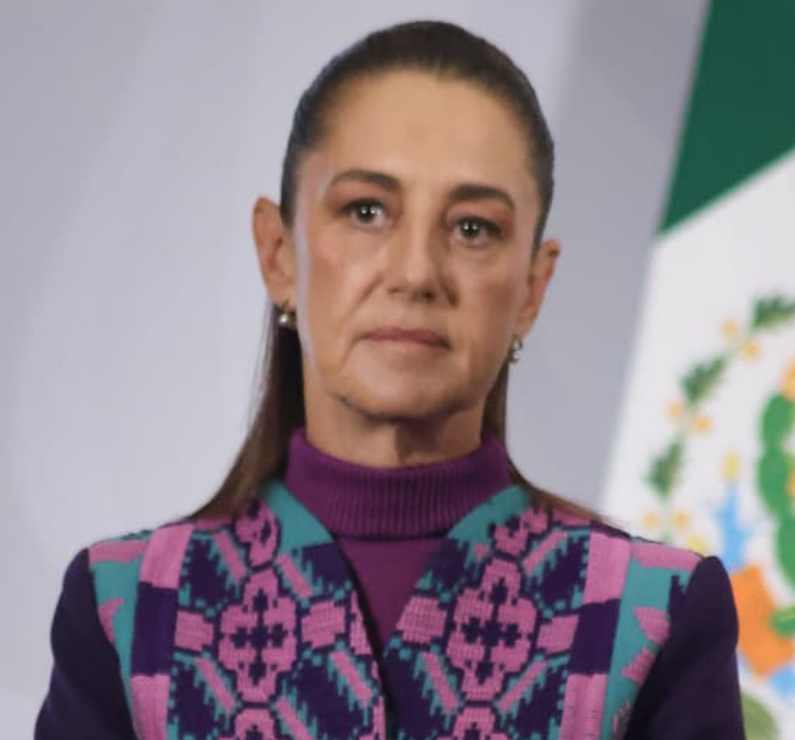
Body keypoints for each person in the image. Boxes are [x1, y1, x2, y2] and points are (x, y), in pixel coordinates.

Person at [34, 19, 744, 740]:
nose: (414, 273)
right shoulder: (126, 610)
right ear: (279, 254)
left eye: (472, 228)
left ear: (532, 286)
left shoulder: (651, 618)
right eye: (365, 211)